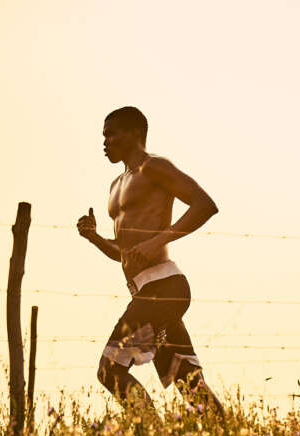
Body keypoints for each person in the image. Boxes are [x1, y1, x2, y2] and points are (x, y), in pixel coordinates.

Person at [76, 106, 224, 419]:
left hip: (164, 287)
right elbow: (125, 253)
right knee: (186, 380)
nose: (105, 142)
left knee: (109, 370)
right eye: (103, 135)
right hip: (146, 292)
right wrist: (95, 238)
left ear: (135, 133)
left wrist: (158, 240)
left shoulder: (153, 167)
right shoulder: (115, 185)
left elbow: (205, 205)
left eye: (111, 134)